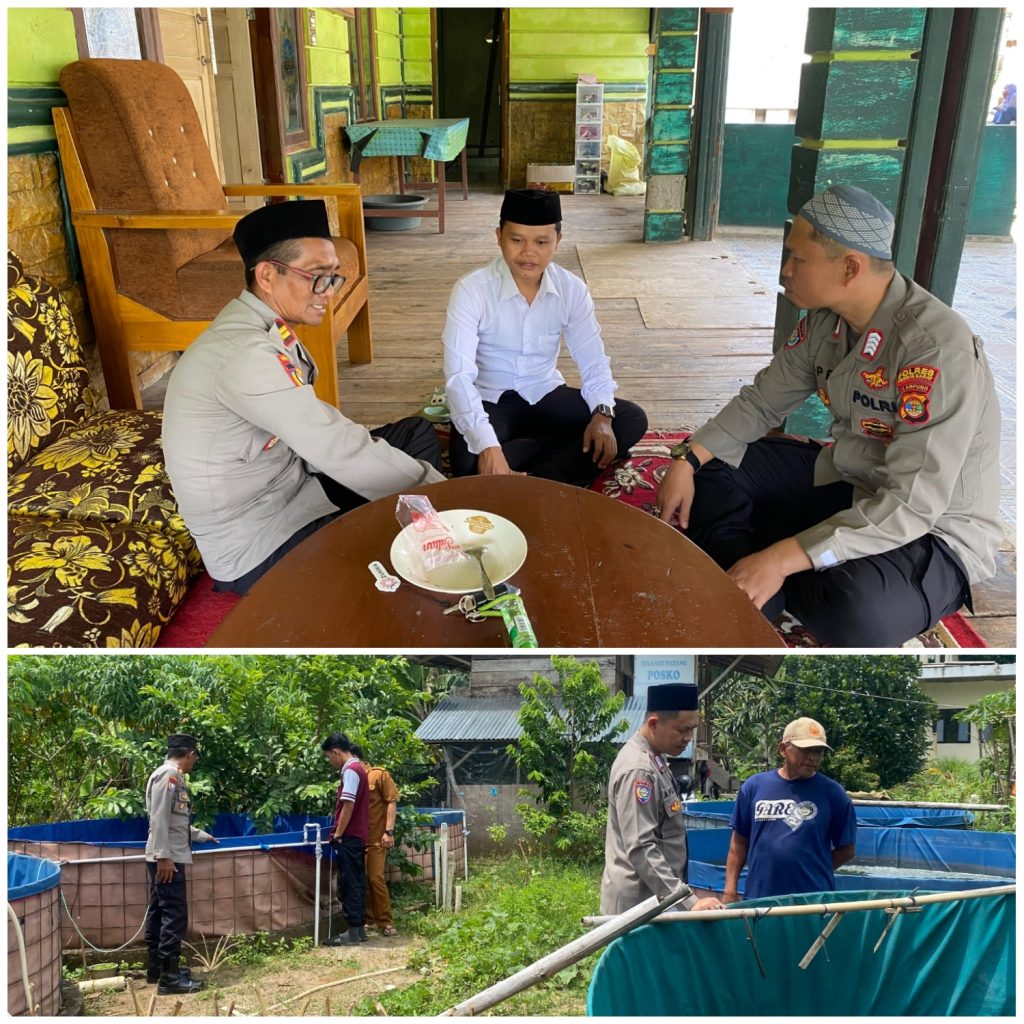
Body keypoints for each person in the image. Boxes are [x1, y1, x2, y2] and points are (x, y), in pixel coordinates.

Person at [657, 184, 1001, 647]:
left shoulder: (935, 349)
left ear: (850, 268)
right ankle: (759, 581)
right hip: (847, 482)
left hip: (931, 528)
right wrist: (685, 457)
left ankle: (765, 566)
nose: (785, 271)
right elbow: (761, 402)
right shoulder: (825, 321)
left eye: (798, 259)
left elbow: (911, 504)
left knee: (856, 613)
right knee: (713, 467)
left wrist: (780, 558)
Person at [163, 199, 445, 594]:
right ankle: (430, 533)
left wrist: (423, 491)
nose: (327, 292)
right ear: (266, 275)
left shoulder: (261, 324)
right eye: (317, 277)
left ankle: (421, 529)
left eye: (333, 277)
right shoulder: (242, 354)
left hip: (295, 486)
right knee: (393, 572)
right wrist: (441, 498)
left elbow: (317, 427)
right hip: (262, 538)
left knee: (415, 434)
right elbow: (333, 445)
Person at [443, 188, 648, 485]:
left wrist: (602, 415)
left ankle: (535, 477)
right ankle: (556, 462)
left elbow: (592, 360)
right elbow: (458, 378)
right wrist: (488, 446)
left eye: (541, 242)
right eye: (516, 240)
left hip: (545, 391)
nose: (529, 252)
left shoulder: (571, 289)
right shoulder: (471, 290)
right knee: (469, 461)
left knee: (629, 419)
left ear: (558, 241)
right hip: (491, 398)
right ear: (499, 236)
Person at [601, 683, 724, 915]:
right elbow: (641, 846)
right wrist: (688, 900)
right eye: (681, 730)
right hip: (639, 906)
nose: (688, 738)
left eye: (692, 730)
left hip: (659, 899)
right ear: (654, 724)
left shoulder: (657, 761)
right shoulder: (639, 770)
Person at [723, 717, 856, 902]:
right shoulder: (754, 787)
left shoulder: (833, 793)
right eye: (806, 750)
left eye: (818, 751)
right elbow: (739, 843)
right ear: (783, 749)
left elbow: (847, 849)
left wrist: (814, 869)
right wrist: (730, 891)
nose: (813, 757)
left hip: (813, 902)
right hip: (759, 898)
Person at [144, 733, 218, 994]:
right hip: (168, 858)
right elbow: (159, 818)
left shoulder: (169, 775)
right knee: (174, 914)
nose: (194, 763)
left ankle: (157, 968)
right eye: (194, 758)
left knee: (159, 911)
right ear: (190, 754)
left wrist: (201, 836)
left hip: (165, 855)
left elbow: (175, 821)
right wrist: (164, 856)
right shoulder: (169, 776)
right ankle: (170, 978)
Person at [322, 733, 369, 945]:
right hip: (358, 835)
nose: (330, 761)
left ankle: (351, 933)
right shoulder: (360, 768)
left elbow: (348, 804)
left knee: (349, 882)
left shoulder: (350, 771)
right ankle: (359, 930)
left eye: (328, 757)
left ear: (336, 752)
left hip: (349, 836)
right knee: (357, 881)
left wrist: (338, 833)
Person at [351, 744, 400, 936]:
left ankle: (386, 921)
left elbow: (391, 801)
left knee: (375, 877)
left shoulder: (379, 775)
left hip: (376, 839)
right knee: (362, 879)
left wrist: (388, 831)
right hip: (357, 839)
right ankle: (368, 919)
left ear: (354, 756)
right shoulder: (351, 777)